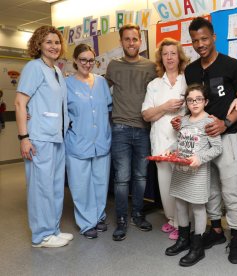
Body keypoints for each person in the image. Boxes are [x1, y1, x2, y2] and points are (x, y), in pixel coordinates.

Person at [173, 16, 237, 264]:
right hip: (200, 142)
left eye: (204, 39)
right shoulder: (192, 70)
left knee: (230, 189)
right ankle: (216, 230)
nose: (200, 44)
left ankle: (235, 236)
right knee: (210, 189)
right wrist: (183, 120)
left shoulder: (233, 65)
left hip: (225, 138)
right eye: (195, 40)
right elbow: (194, 102)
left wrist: (226, 122)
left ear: (213, 37)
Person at [14, 25, 72, 248]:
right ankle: (41, 235)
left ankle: (53, 230)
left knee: (56, 187)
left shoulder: (56, 71)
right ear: (38, 45)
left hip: (56, 137)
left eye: (57, 42)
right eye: (48, 42)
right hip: (39, 138)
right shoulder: (33, 68)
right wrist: (24, 137)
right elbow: (20, 103)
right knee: (41, 189)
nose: (54, 46)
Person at [105, 24, 157, 241]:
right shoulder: (113, 66)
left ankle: (136, 213)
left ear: (140, 42)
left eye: (135, 39)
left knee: (140, 176)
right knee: (122, 178)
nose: (131, 43)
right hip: (120, 129)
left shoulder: (151, 67)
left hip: (144, 128)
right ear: (121, 42)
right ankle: (122, 220)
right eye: (127, 39)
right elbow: (100, 92)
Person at [165, 84, 222, 267]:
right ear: (187, 103)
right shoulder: (185, 120)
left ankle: (197, 247)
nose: (194, 103)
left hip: (197, 174)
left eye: (198, 99)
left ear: (205, 101)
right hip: (181, 172)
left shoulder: (209, 122)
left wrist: (200, 157)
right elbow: (181, 141)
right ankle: (183, 240)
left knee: (198, 209)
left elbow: (218, 148)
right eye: (190, 100)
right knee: (180, 205)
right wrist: (170, 149)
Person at [142, 38, 188, 240]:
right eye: (165, 53)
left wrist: (181, 118)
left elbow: (197, 110)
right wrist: (165, 107)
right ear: (161, 58)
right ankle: (172, 220)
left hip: (182, 142)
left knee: (182, 183)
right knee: (165, 184)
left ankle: (184, 222)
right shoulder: (154, 85)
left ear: (180, 57)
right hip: (160, 142)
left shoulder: (186, 80)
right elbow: (146, 115)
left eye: (173, 53)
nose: (169, 57)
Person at [65, 44, 112, 239]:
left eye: (91, 60)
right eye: (83, 60)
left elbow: (108, 109)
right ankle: (86, 222)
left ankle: (99, 216)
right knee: (81, 185)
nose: (87, 64)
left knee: (100, 183)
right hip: (78, 142)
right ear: (75, 60)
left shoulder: (101, 82)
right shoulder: (66, 84)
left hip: (101, 141)